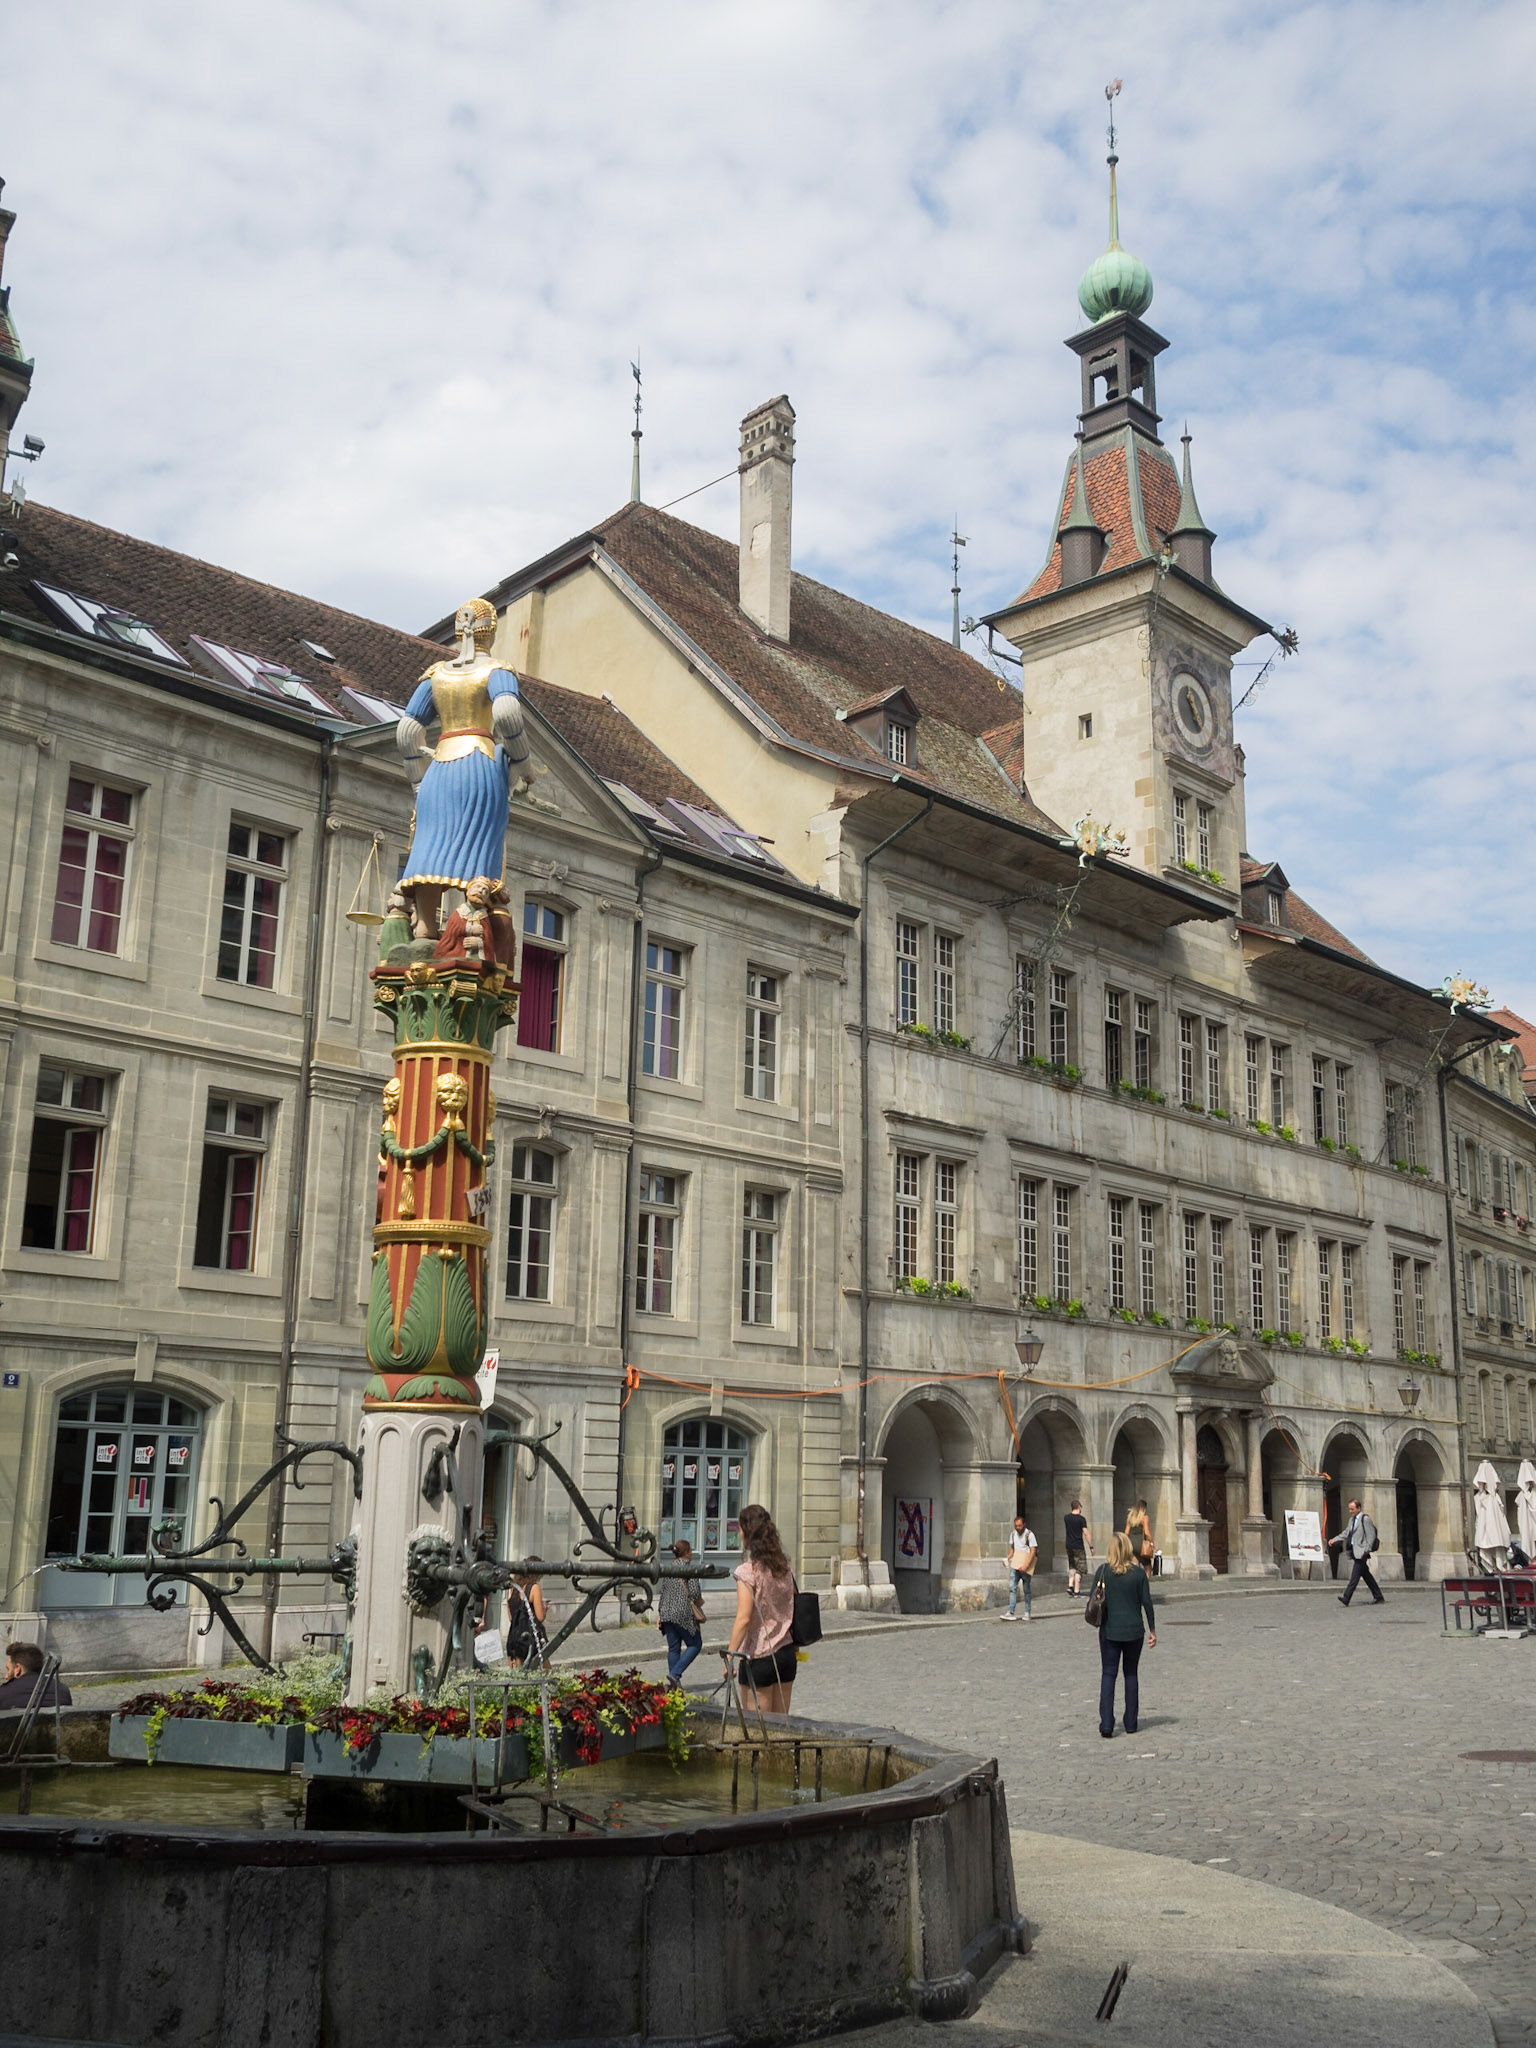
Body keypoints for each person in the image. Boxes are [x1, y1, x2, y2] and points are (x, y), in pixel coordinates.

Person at [724, 1502, 797, 1714]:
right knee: (781, 1727)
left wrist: (729, 1655)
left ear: (748, 1533)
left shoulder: (748, 1572)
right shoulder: (784, 1567)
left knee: (757, 1729)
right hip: (786, 1652)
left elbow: (743, 1619)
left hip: (759, 1656)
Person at [1090, 1532, 1156, 1738]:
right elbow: (1147, 1602)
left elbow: (1093, 1598)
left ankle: (1107, 1723)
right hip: (1134, 1631)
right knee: (1131, 1674)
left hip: (1109, 1630)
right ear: (1128, 1549)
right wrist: (1152, 1629)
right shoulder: (1138, 1574)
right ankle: (1130, 1723)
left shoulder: (1103, 1572)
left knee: (1108, 1674)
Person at [656, 1539, 706, 1685]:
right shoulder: (689, 1569)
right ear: (687, 1553)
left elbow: (664, 1592)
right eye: (690, 1550)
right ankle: (675, 1674)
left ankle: (674, 1685)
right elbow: (695, 1593)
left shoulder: (669, 1568)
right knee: (695, 1644)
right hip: (683, 1613)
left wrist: (660, 1613)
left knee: (673, 1648)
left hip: (666, 1612)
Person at [1329, 1499, 1385, 1606]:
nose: (1350, 1511)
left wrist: (1367, 1549)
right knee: (1366, 1575)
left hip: (1361, 1552)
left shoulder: (1365, 1519)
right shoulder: (1351, 1520)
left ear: (1359, 1508)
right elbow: (1346, 1533)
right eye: (1349, 1509)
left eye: (1352, 1509)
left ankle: (1347, 1597)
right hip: (1354, 1551)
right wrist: (1335, 1539)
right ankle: (1378, 1596)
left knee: (1355, 1576)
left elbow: (1371, 1535)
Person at [0, 1642, 71, 1710]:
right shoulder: (62, 1691)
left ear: (18, 1669)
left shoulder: (3, 1693)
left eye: (8, 1669)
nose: (6, 1676)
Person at [504, 1563, 549, 1668]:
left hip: (514, 1637)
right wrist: (545, 1609)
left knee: (517, 1676)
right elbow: (540, 1617)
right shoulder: (534, 1588)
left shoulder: (511, 1589)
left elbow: (511, 1618)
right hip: (530, 1639)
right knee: (546, 1672)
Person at [1003, 1516, 1038, 1620]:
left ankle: (1027, 1612)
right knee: (1012, 1587)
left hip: (1025, 1564)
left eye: (1019, 1525)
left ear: (1024, 1525)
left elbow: (1033, 1551)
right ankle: (1011, 1611)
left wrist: (1026, 1565)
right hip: (1015, 1564)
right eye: (1016, 1526)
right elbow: (1012, 1550)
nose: (1018, 1528)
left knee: (1026, 1589)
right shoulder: (1013, 1534)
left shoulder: (1029, 1535)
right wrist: (1007, 1558)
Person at [1064, 1499, 1091, 1596]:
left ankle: (1070, 1585)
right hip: (1078, 1545)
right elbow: (1086, 1533)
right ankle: (1076, 1590)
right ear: (1079, 1507)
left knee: (1072, 1566)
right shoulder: (1081, 1519)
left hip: (1069, 1545)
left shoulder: (1066, 1518)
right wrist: (1091, 1546)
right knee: (1080, 1568)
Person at [1124, 1499, 1154, 1569]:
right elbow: (1147, 1532)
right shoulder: (1144, 1518)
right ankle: (1145, 1580)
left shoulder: (1130, 1517)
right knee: (1148, 1567)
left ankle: (1135, 1579)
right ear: (1144, 1508)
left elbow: (1126, 1532)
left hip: (1131, 1544)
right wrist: (1152, 1542)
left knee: (1135, 1565)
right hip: (1140, 1544)